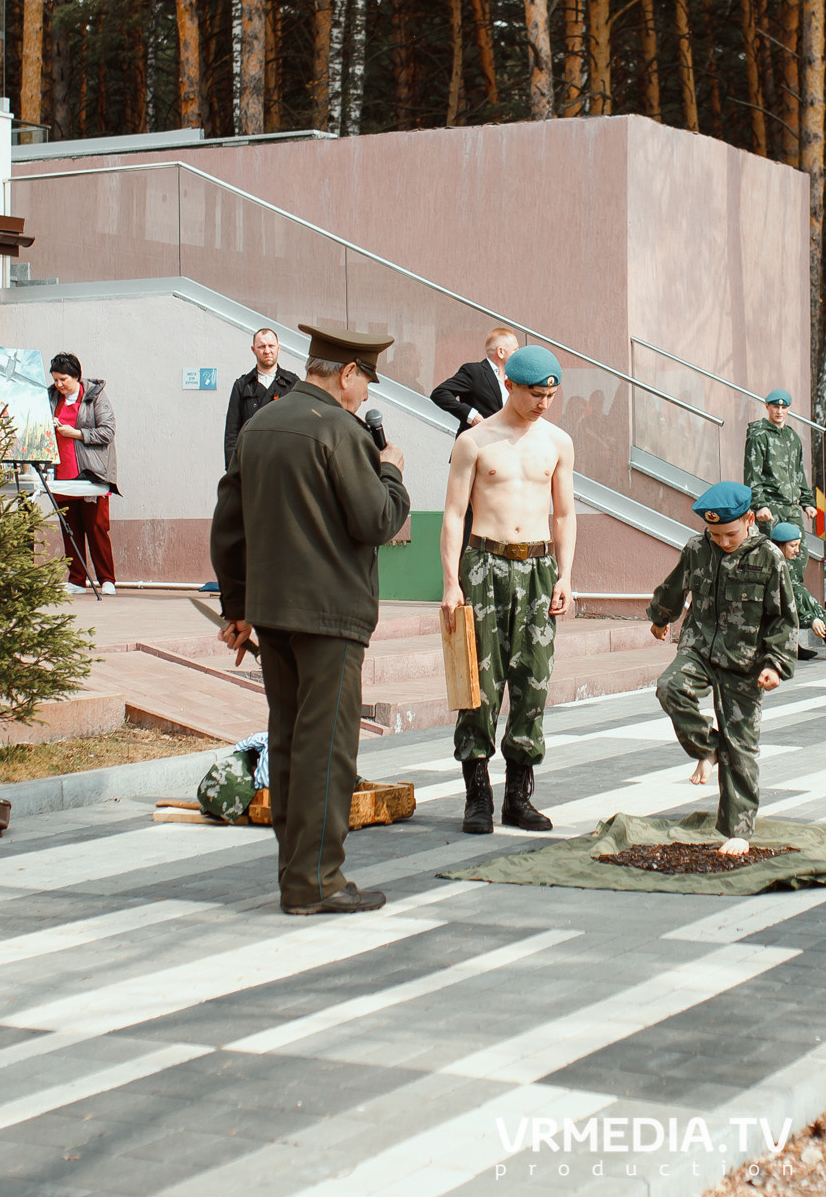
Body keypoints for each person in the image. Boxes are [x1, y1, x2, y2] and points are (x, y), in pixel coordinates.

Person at [210, 322, 410, 915]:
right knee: (326, 750)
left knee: (291, 743)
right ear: (347, 373)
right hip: (331, 614)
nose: (366, 398)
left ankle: (295, 878)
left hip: (273, 615)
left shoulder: (259, 424)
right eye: (365, 383)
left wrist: (239, 608)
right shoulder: (341, 431)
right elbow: (376, 520)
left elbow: (229, 527)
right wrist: (392, 469)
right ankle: (318, 881)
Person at [439, 344, 576, 835]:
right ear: (511, 385)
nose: (544, 403)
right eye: (536, 394)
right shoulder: (475, 442)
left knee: (532, 683)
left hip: (537, 570)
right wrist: (452, 582)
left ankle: (519, 795)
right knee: (478, 686)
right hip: (484, 567)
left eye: (551, 396)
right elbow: (455, 514)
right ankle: (478, 797)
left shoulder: (558, 442)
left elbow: (564, 514)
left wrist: (565, 576)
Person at [647, 481, 798, 839]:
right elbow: (674, 586)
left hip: (745, 662)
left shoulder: (769, 558)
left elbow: (783, 618)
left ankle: (737, 833)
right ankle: (710, 747)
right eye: (716, 535)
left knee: (741, 750)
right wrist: (660, 617)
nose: (723, 542)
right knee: (670, 688)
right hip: (699, 648)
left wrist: (775, 664)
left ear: (749, 519)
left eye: (729, 534)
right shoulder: (698, 548)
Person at [48, 353, 120, 594]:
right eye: (56, 379)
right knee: (70, 528)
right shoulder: (50, 397)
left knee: (97, 527)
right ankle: (77, 579)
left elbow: (107, 432)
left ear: (77, 377)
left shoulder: (95, 396)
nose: (59, 384)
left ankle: (107, 579)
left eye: (63, 379)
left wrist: (76, 433)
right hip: (61, 473)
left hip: (91, 473)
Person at [772, 521, 826, 661]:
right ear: (779, 545)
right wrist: (812, 619)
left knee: (799, 590)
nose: (797, 551)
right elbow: (785, 600)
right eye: (793, 546)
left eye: (798, 545)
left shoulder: (784, 562)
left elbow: (798, 593)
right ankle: (794, 646)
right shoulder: (771, 566)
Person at [223, 327, 299, 467]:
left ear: (278, 348)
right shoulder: (242, 385)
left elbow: (302, 427)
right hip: (251, 463)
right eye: (262, 346)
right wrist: (232, 470)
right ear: (253, 349)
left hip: (285, 463)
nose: (267, 351)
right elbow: (232, 432)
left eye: (271, 346)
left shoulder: (293, 383)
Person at [744, 388, 816, 528]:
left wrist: (808, 502)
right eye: (775, 407)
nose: (779, 411)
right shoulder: (759, 436)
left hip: (792, 508)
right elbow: (752, 475)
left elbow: (799, 473)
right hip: (770, 507)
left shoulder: (793, 437)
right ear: (767, 406)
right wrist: (759, 505)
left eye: (784, 407)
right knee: (772, 549)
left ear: (789, 408)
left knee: (798, 550)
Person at [430, 326, 518, 434]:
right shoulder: (474, 371)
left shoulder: (513, 378)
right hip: (475, 443)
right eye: (515, 350)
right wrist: (471, 415)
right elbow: (440, 393)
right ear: (501, 352)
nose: (518, 355)